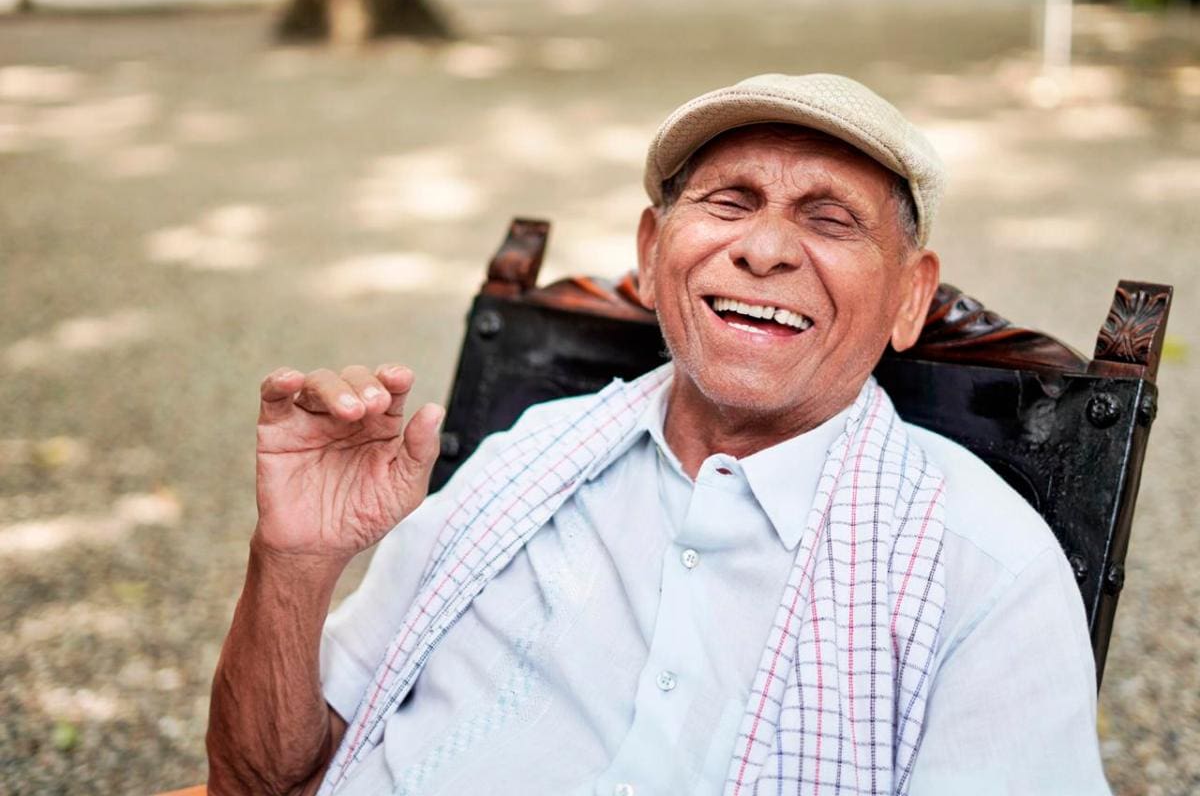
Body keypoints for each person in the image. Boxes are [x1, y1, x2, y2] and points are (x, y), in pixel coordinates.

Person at [205, 74, 1111, 795]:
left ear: (911, 296)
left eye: (829, 219)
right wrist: (294, 561)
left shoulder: (983, 571)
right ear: (649, 254)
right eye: (727, 202)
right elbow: (265, 781)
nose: (764, 250)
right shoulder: (526, 460)